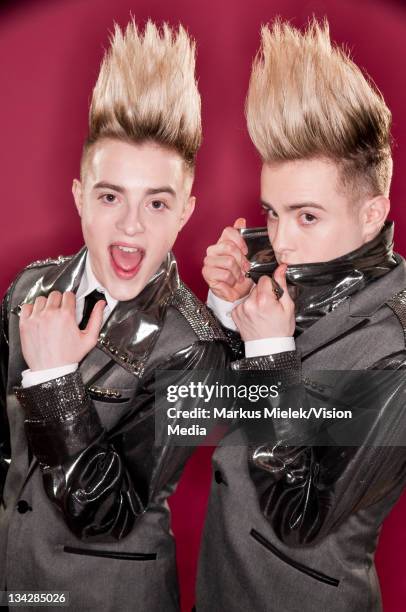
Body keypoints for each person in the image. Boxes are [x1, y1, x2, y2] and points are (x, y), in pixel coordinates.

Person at [0, 20, 229, 612]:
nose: (132, 225)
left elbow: (112, 513)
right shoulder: (29, 285)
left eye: (157, 202)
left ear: (186, 211)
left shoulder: (195, 348)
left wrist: (55, 383)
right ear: (79, 196)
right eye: (110, 197)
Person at [197, 19, 406, 612]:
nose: (282, 241)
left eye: (307, 216)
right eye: (272, 211)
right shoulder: (285, 266)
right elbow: (214, 420)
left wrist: (267, 354)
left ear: (372, 214)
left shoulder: (397, 346)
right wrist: (230, 312)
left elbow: (302, 513)